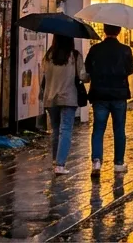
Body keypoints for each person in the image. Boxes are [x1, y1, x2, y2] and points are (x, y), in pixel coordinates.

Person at [86, 24, 133, 173]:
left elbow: (88, 68)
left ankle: (96, 161)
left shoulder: (95, 49)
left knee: (98, 129)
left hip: (99, 95)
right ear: (119, 31)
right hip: (119, 95)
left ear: (104, 30)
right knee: (119, 129)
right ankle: (118, 163)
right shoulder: (125, 50)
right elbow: (131, 69)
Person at [40, 35, 87, 175]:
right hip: (68, 97)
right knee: (65, 129)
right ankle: (60, 165)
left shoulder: (49, 55)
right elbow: (83, 76)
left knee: (55, 130)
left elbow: (44, 72)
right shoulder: (74, 56)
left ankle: (56, 161)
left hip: (50, 97)